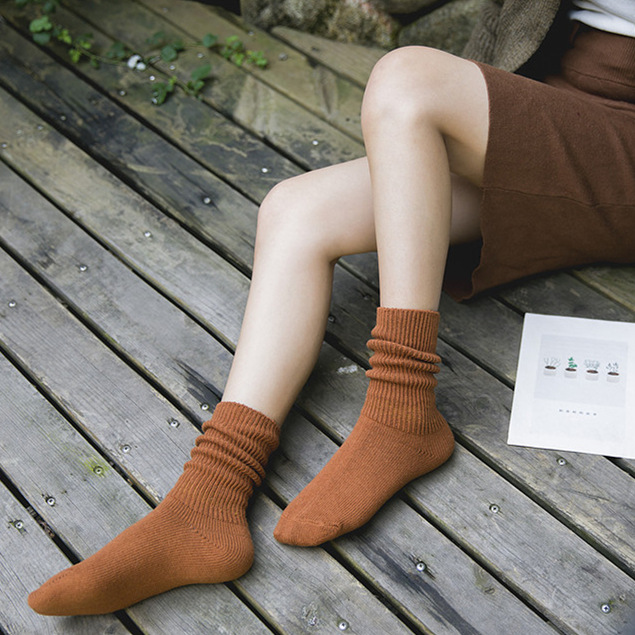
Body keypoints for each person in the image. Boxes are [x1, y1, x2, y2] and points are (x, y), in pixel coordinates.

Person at [28, 0, 635, 616]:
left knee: (409, 81)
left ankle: (402, 405)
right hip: (545, 108)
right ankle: (206, 498)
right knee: (295, 211)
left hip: (623, 142)